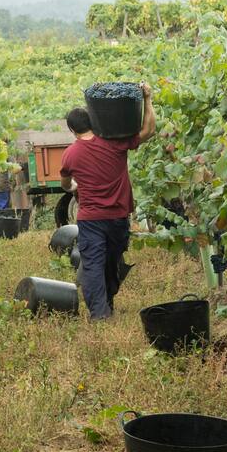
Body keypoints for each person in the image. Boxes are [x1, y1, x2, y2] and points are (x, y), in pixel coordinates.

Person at [59, 84, 156, 320]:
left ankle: (101, 312)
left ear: (72, 130)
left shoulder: (70, 154)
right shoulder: (114, 142)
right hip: (118, 217)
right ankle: (104, 305)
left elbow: (65, 184)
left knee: (93, 265)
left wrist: (75, 187)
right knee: (112, 262)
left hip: (91, 219)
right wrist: (147, 99)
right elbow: (149, 130)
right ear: (93, 121)